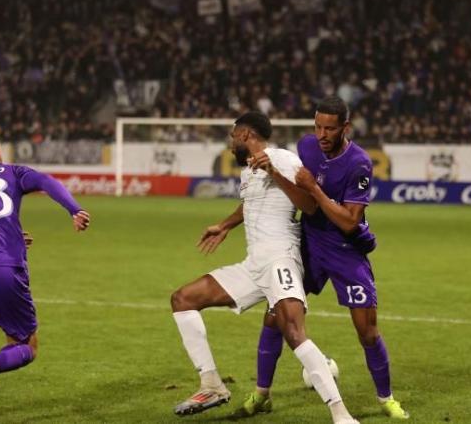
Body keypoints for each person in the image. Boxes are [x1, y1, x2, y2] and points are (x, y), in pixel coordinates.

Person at [169, 111, 359, 424]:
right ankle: (212, 385)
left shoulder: (283, 159)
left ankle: (341, 414)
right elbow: (252, 204)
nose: (231, 144)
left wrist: (274, 172)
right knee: (183, 299)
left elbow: (309, 204)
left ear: (245, 135)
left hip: (280, 259)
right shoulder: (247, 173)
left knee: (295, 332)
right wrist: (226, 225)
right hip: (253, 265)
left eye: (233, 137)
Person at [236, 96, 409, 419]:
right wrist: (228, 223)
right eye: (317, 126)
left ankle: (386, 398)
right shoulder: (306, 147)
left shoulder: (359, 163)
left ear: (346, 127)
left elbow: (348, 221)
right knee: (275, 314)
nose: (322, 134)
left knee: (367, 331)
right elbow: (283, 193)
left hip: (345, 249)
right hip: (309, 244)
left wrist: (314, 189)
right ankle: (261, 394)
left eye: (330, 128)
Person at [0, 127, 90, 413]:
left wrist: (8, 235)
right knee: (26, 345)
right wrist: (74, 209)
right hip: (4, 267)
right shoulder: (11, 172)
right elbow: (46, 181)